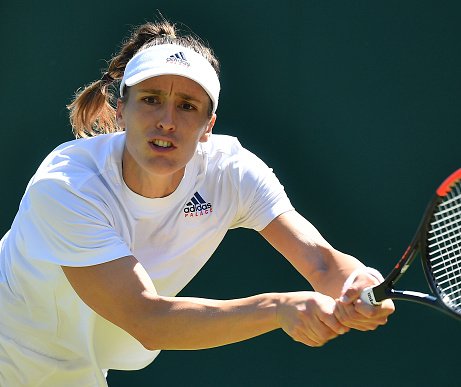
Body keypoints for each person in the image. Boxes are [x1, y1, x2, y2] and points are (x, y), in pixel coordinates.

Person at [0, 19, 394, 386]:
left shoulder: (232, 172)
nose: (167, 121)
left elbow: (322, 262)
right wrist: (278, 307)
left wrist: (356, 282)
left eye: (187, 106)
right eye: (151, 99)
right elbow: (146, 318)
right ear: (122, 109)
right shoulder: (68, 185)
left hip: (75, 369)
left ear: (209, 126)